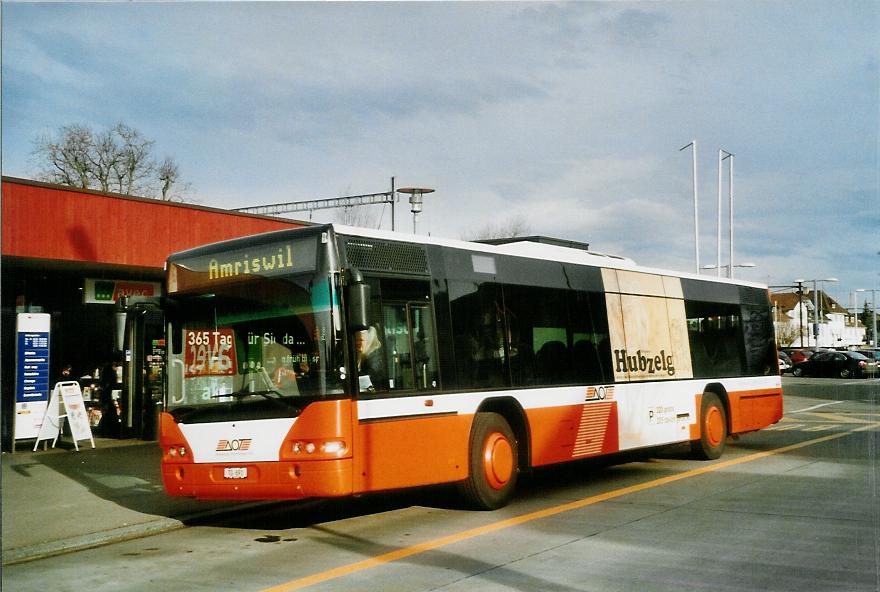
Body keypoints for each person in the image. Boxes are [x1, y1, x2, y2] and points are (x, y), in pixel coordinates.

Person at [355, 326, 386, 391]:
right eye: (356, 340)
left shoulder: (374, 357)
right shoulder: (365, 355)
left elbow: (371, 375)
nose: (357, 343)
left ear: (369, 342)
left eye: (361, 340)